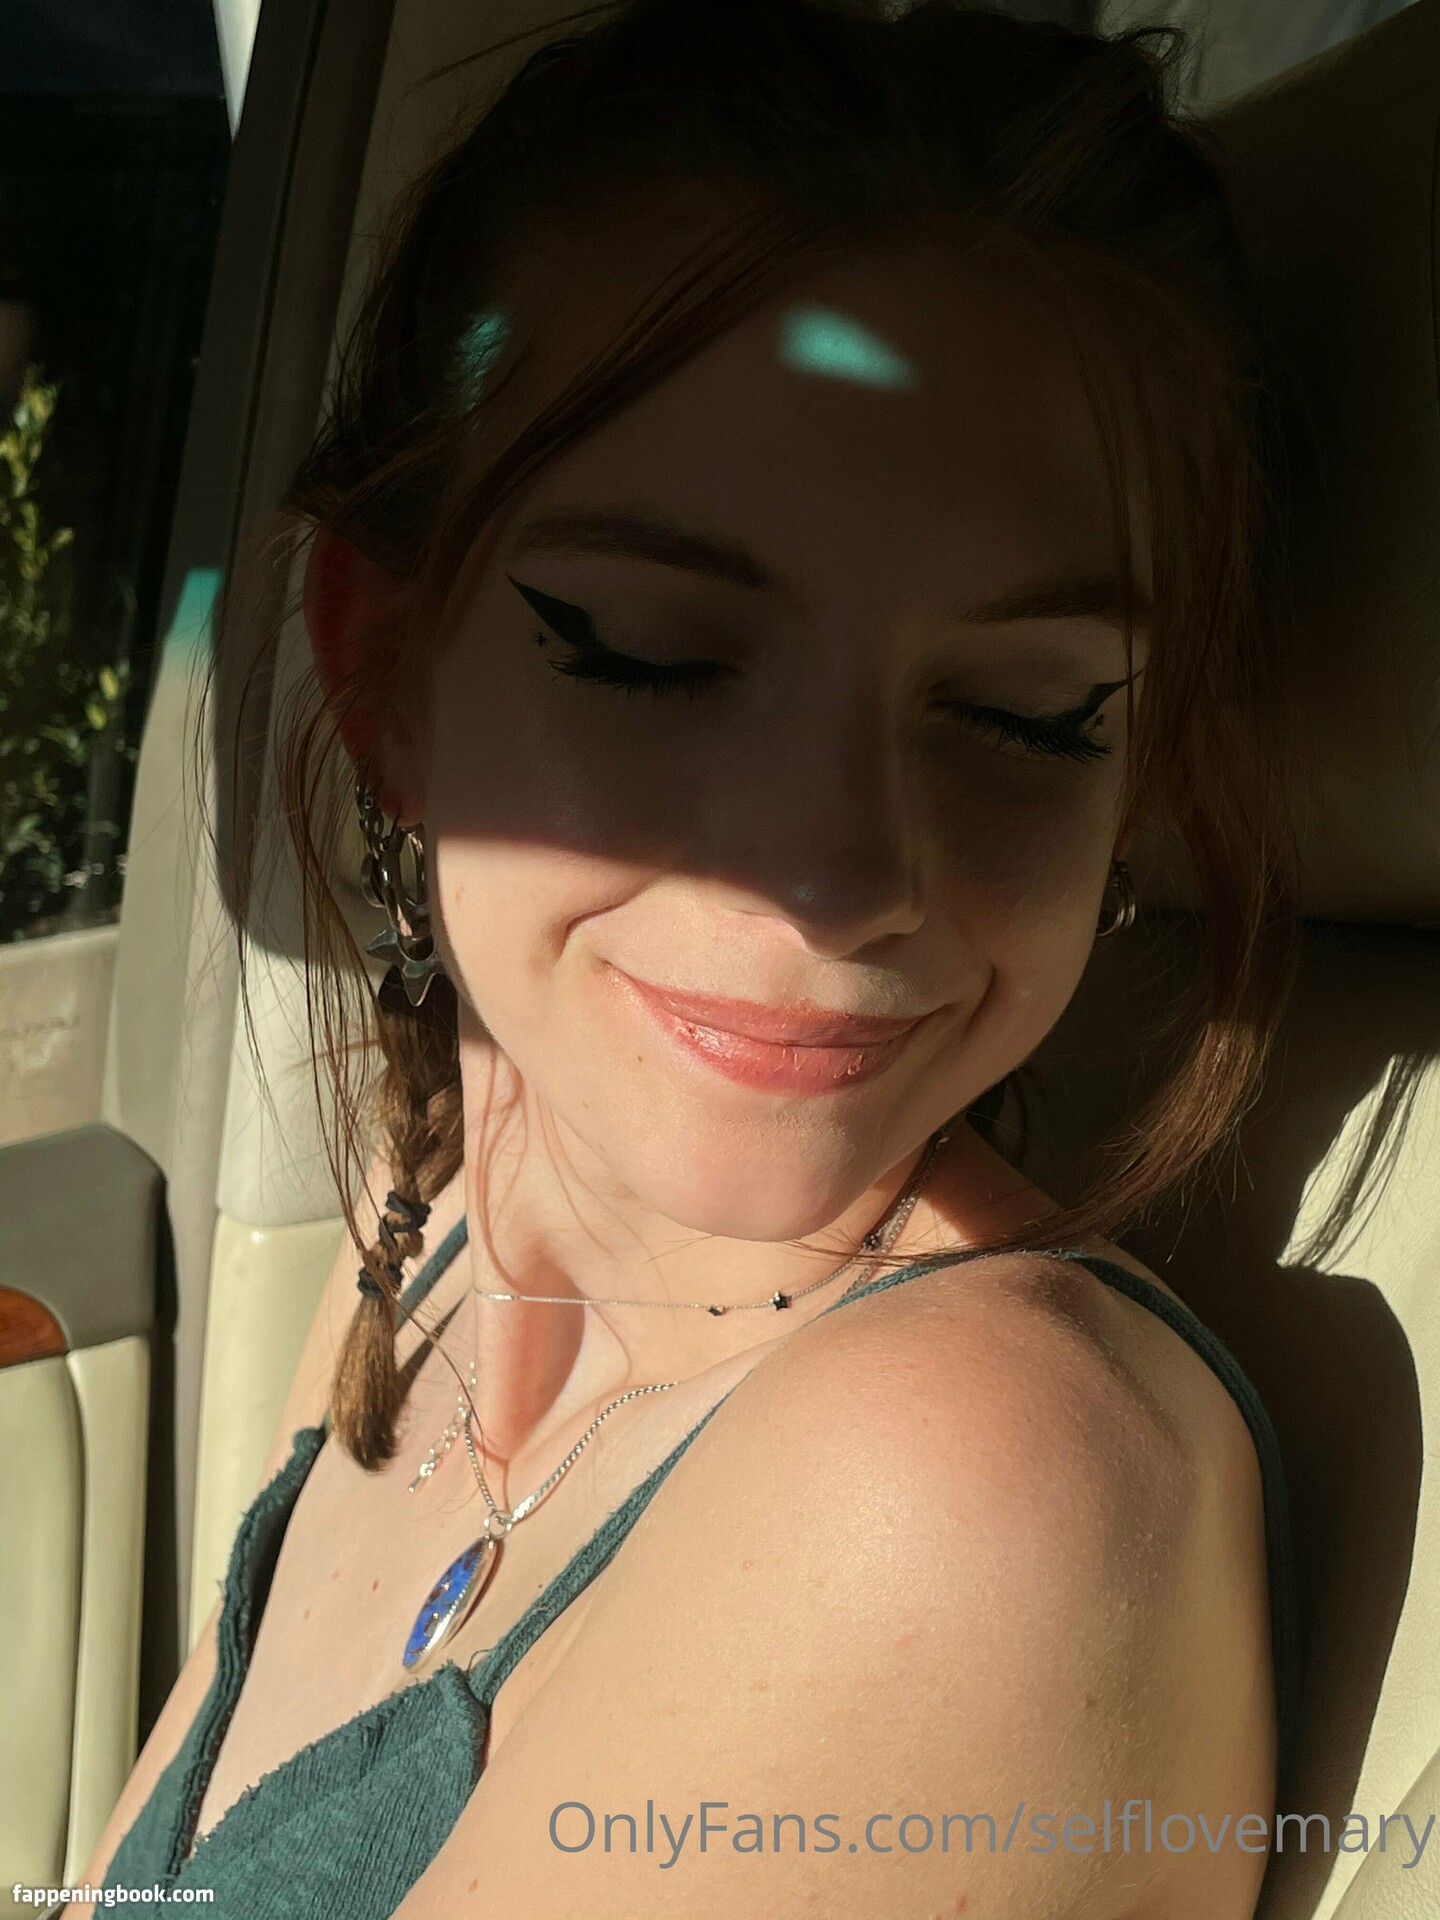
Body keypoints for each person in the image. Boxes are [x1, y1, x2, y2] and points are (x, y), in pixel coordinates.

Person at [78, 2, 1303, 1914]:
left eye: (1025, 715)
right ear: (387, 673)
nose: (833, 883)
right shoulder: (447, 1217)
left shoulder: (954, 1495)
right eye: (650, 656)